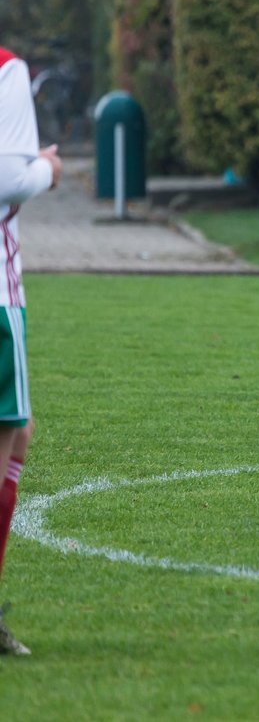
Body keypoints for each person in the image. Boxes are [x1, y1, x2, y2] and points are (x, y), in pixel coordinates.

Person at [0, 45, 63, 655]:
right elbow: (8, 180)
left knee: (19, 435)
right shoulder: (6, 68)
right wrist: (46, 168)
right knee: (6, 437)